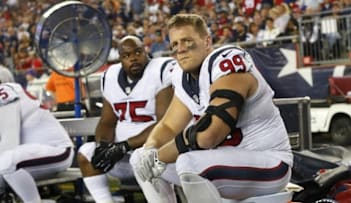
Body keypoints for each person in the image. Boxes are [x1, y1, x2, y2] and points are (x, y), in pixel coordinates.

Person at [130, 14, 293, 202]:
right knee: (140, 158)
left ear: (207, 41)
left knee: (188, 163)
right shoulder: (183, 77)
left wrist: (159, 156)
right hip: (225, 164)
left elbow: (210, 134)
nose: (180, 50)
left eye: (187, 41)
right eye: (175, 44)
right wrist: (151, 149)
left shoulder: (227, 63)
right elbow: (168, 126)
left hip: (269, 163)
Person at [76, 35, 176, 203]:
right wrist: (104, 146)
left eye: (137, 52)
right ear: (120, 58)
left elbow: (164, 123)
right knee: (86, 153)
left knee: (143, 158)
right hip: (122, 155)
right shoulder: (110, 76)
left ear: (145, 51)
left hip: (156, 151)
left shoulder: (160, 70)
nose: (133, 58)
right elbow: (107, 121)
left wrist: (124, 146)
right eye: (126, 55)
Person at [0, 66, 74, 203]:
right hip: (27, 154)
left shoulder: (6, 94)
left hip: (56, 150)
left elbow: (8, 142)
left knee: (6, 162)